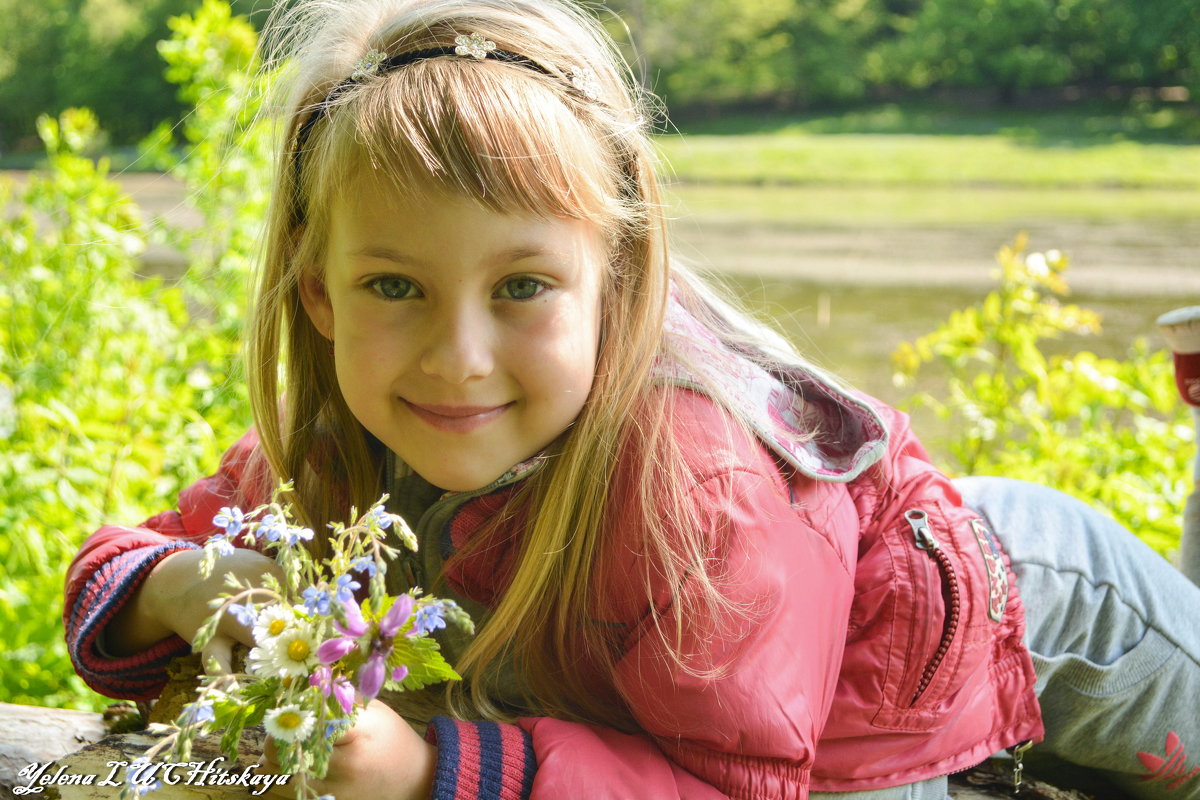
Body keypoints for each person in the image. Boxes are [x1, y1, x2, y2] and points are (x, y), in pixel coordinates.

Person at [64, 0, 1200, 798]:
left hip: (1025, 612)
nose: (456, 357)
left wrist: (431, 771)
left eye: (520, 286)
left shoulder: (698, 481)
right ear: (318, 295)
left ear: (611, 284)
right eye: (394, 285)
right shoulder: (334, 454)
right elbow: (110, 576)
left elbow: (744, 784)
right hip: (757, 699)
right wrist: (179, 584)